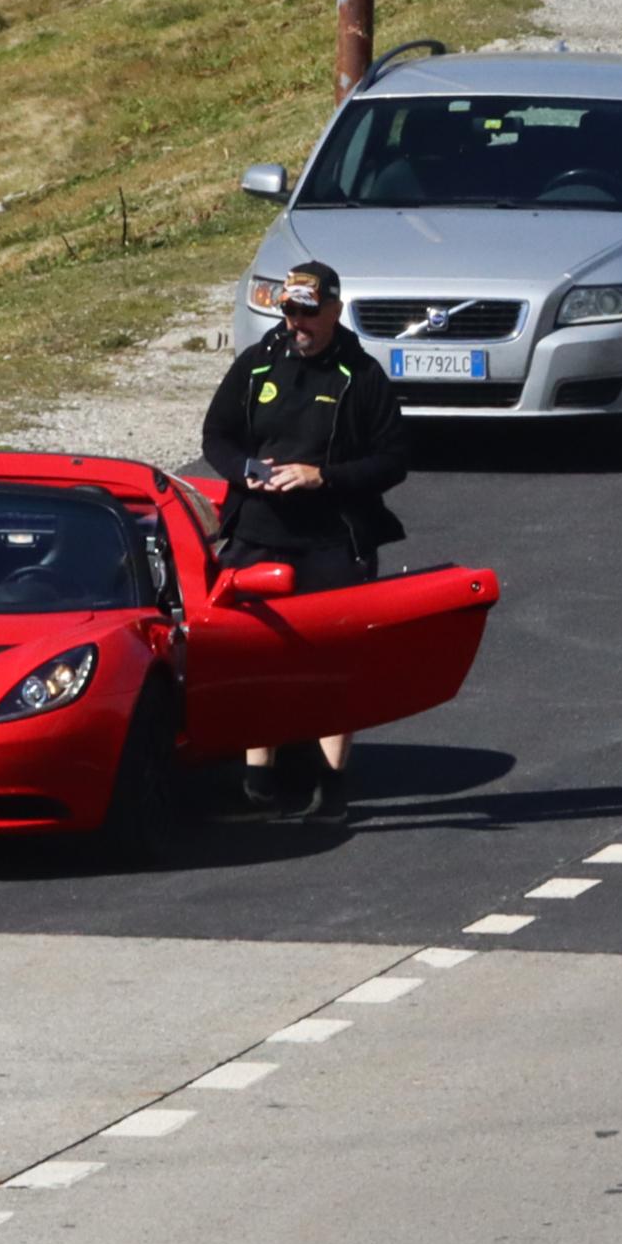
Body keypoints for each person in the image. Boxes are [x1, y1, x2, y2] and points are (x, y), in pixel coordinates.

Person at [200, 261, 409, 824]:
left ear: (335, 310)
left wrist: (324, 477)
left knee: (329, 664)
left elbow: (394, 460)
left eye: (308, 312)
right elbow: (215, 434)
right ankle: (258, 784)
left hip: (330, 540)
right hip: (257, 533)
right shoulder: (257, 362)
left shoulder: (361, 376)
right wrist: (242, 467)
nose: (297, 323)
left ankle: (331, 788)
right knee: (253, 658)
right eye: (289, 311)